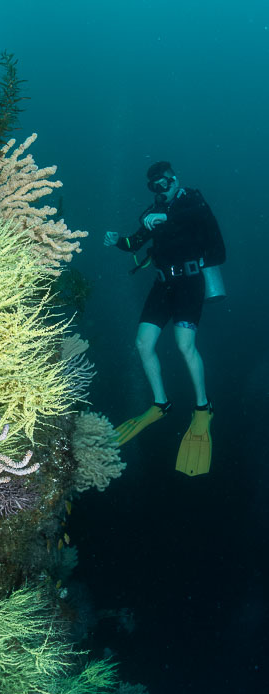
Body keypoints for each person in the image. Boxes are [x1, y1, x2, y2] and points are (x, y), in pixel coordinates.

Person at [104, 160, 225, 475]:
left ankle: (203, 408)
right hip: (163, 285)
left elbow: (208, 236)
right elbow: (135, 242)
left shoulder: (193, 202)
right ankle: (161, 405)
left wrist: (166, 218)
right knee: (143, 344)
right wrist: (116, 240)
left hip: (189, 283)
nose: (161, 189)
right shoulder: (152, 213)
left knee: (185, 345)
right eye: (154, 186)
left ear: (176, 180)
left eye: (165, 182)